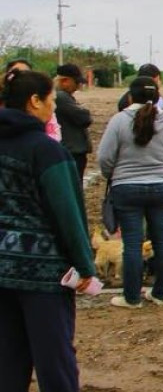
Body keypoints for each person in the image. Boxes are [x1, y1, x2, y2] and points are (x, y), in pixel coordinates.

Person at [0, 69, 98, 392]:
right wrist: (84, 266)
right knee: (54, 362)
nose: (54, 109)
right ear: (34, 101)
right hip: (43, 275)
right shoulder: (47, 151)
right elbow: (68, 215)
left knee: (8, 362)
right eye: (52, 101)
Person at [98, 75, 163, 309]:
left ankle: (131, 297)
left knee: (132, 243)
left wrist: (113, 175)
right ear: (157, 96)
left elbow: (104, 157)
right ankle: (160, 294)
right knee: (162, 241)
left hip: (127, 188)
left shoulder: (118, 120)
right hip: (162, 187)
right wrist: (162, 169)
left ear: (130, 96)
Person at [54, 63, 93, 178]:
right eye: (76, 82)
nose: (78, 86)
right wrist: (84, 110)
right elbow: (84, 118)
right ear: (65, 81)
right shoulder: (61, 96)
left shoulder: (59, 96)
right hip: (71, 152)